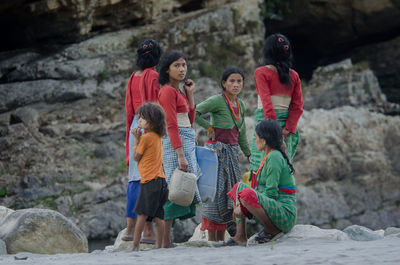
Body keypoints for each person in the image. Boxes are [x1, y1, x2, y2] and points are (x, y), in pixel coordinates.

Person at [195, 66, 251, 241]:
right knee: (215, 194)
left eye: (239, 81)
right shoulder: (217, 101)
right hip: (216, 154)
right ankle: (213, 240)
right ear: (224, 83)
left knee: (232, 193)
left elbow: (240, 133)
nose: (235, 85)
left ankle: (224, 236)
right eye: (231, 81)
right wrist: (208, 128)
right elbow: (194, 112)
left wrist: (249, 154)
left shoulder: (241, 105)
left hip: (232, 154)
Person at [226, 119, 297, 245]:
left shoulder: (274, 157)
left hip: (284, 213)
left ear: (264, 140)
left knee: (246, 194)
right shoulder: (269, 155)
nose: (255, 140)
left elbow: (271, 194)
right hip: (273, 207)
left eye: (256, 137)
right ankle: (240, 236)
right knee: (239, 187)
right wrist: (241, 204)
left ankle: (272, 230)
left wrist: (242, 208)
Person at [158, 50, 201, 248]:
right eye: (177, 65)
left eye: (184, 65)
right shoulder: (167, 91)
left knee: (183, 186)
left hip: (186, 139)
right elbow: (171, 124)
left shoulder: (180, 91)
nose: (182, 69)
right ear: (167, 69)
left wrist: (190, 95)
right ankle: (165, 240)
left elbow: (190, 120)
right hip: (176, 144)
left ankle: (167, 239)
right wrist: (180, 153)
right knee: (174, 186)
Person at [250, 33, 303, 185]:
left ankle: (261, 205)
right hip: (288, 131)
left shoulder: (261, 72)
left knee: (260, 169)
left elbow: (267, 105)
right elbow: (297, 107)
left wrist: (274, 133)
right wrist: (285, 131)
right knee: (282, 170)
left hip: (265, 127)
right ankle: (282, 205)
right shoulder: (294, 76)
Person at [124, 39, 162, 243]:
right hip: (148, 127)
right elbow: (156, 107)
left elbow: (129, 110)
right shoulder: (153, 75)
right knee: (148, 177)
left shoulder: (133, 77)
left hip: (134, 127)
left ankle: (130, 229)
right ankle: (147, 231)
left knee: (134, 178)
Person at [131, 102, 169, 250]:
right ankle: (159, 245)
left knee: (142, 213)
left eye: (142, 118)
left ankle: (135, 245)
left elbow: (136, 157)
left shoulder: (146, 138)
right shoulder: (157, 137)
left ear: (152, 121)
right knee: (159, 215)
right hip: (161, 180)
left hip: (150, 181)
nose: (139, 120)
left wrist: (136, 139)